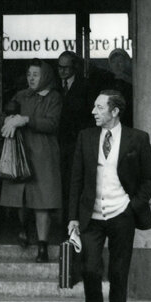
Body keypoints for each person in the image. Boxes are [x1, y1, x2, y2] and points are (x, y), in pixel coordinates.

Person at [69, 91, 151, 302]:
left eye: (99, 107)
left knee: (119, 274)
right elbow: (75, 178)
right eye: (94, 107)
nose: (94, 112)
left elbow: (150, 179)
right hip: (92, 216)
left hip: (122, 214)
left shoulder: (138, 139)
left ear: (115, 111)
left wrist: (133, 207)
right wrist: (72, 217)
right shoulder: (85, 137)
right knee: (91, 269)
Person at [0, 59, 63, 262]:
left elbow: (52, 123)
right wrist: (8, 119)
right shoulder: (21, 95)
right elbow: (6, 113)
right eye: (29, 74)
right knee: (20, 196)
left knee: (42, 201)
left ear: (45, 76)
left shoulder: (54, 97)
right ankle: (24, 228)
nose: (32, 78)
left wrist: (26, 120)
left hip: (43, 155)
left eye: (36, 74)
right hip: (21, 151)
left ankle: (42, 246)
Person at [56, 51, 94, 210]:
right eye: (59, 67)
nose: (62, 71)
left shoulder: (85, 86)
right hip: (58, 143)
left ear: (75, 67)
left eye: (66, 67)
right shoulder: (54, 86)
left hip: (76, 142)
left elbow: (89, 116)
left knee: (75, 184)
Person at [105, 48, 134, 127]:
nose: (117, 65)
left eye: (120, 62)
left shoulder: (133, 82)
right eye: (114, 62)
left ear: (126, 63)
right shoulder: (106, 82)